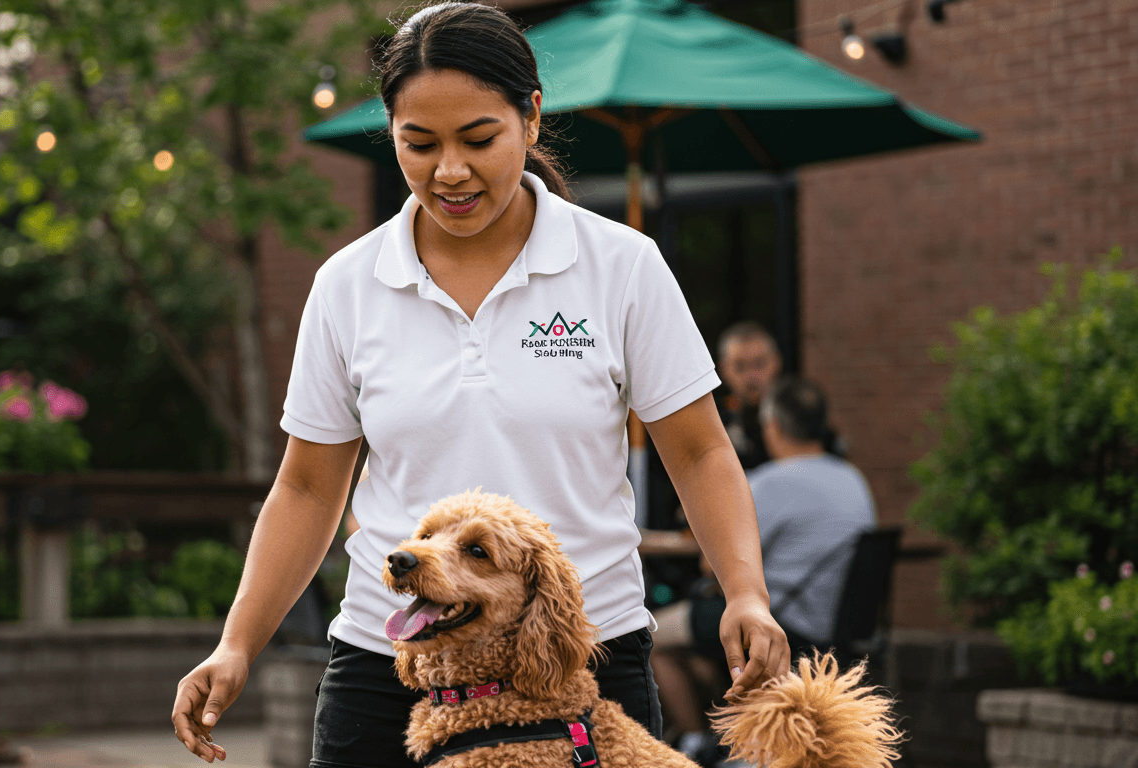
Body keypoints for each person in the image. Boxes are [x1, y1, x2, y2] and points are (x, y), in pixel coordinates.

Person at [171, 4, 789, 766]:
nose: (449, 171)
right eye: (419, 144)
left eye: (478, 139)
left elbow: (697, 453)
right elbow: (305, 490)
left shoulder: (621, 266)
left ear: (530, 118)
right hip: (388, 665)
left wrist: (745, 592)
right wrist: (237, 644)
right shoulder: (347, 285)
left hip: (577, 660)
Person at [648, 376, 876, 765]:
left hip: (778, 622)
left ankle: (690, 743)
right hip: (837, 627)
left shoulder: (769, 482)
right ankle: (717, 731)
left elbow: (712, 562)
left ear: (772, 426)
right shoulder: (853, 478)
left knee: (649, 634)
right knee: (700, 652)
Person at [715, 321, 782, 472]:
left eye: (760, 364)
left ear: (776, 362)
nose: (751, 376)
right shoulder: (712, 420)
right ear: (723, 369)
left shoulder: (795, 417)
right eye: (740, 366)